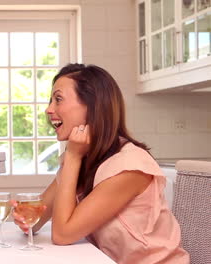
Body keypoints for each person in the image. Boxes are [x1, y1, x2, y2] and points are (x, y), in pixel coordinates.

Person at [12, 63, 189, 264]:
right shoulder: (85, 158)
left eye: (58, 99)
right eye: (50, 100)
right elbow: (37, 218)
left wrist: (72, 157)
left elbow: (62, 235)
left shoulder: (129, 165)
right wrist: (24, 215)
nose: (49, 109)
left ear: (92, 106)